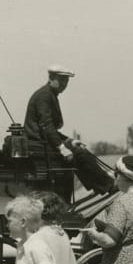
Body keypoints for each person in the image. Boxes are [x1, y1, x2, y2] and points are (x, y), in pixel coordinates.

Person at [23, 65, 114, 196]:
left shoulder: (49, 94)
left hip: (43, 143)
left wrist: (69, 141)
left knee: (79, 150)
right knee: (80, 154)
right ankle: (108, 185)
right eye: (62, 80)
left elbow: (50, 129)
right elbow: (46, 126)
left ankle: (101, 185)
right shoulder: (44, 96)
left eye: (66, 81)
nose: (64, 84)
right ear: (51, 78)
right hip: (38, 145)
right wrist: (62, 147)